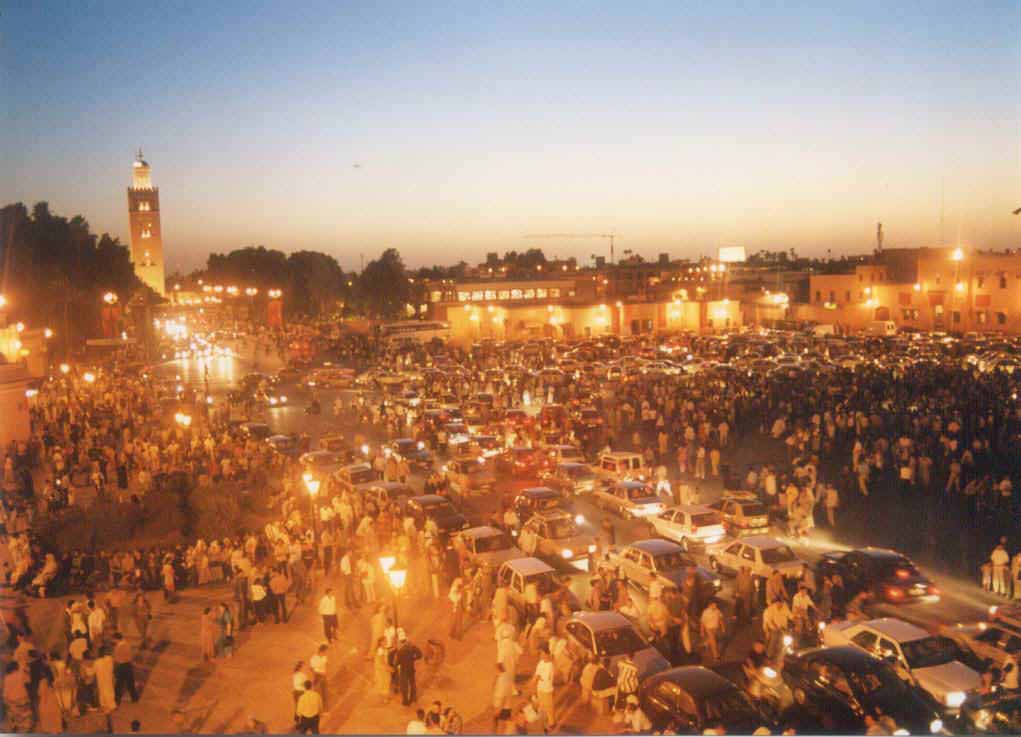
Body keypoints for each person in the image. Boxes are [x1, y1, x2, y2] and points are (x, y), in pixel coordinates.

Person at [532, 645, 557, 731]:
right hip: (540, 688)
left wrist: (535, 679)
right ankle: (543, 721)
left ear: (547, 654)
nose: (541, 655)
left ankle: (552, 723)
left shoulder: (550, 665)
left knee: (549, 707)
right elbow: (537, 673)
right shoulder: (541, 663)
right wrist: (534, 679)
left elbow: (544, 677)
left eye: (542, 654)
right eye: (540, 654)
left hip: (547, 690)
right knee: (542, 706)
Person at [395, 633, 422, 706]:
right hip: (411, 669)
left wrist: (395, 667)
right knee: (412, 684)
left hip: (403, 670)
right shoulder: (412, 647)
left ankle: (405, 701)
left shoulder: (400, 651)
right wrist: (414, 658)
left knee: (404, 686)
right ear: (406, 640)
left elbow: (397, 663)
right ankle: (413, 698)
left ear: (400, 642)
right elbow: (420, 655)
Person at [112, 633, 138, 704]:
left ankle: (117, 700)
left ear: (116, 639)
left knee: (119, 684)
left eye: (113, 639)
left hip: (121, 666)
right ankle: (134, 698)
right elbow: (130, 655)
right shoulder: (127, 644)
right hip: (128, 665)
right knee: (130, 683)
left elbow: (116, 658)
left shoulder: (118, 647)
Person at [95, 645, 117, 713]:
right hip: (108, 677)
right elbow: (112, 668)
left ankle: (105, 706)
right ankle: (112, 705)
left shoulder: (97, 662)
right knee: (110, 690)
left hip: (101, 679)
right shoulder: (110, 659)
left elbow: (94, 671)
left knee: (103, 692)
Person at [310, 643, 328, 710]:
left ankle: (324, 708)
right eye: (326, 651)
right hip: (317, 677)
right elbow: (311, 669)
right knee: (317, 693)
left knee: (324, 692)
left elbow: (325, 665)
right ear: (322, 651)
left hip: (323, 676)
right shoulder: (314, 658)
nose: (326, 653)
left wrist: (325, 673)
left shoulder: (324, 657)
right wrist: (320, 673)